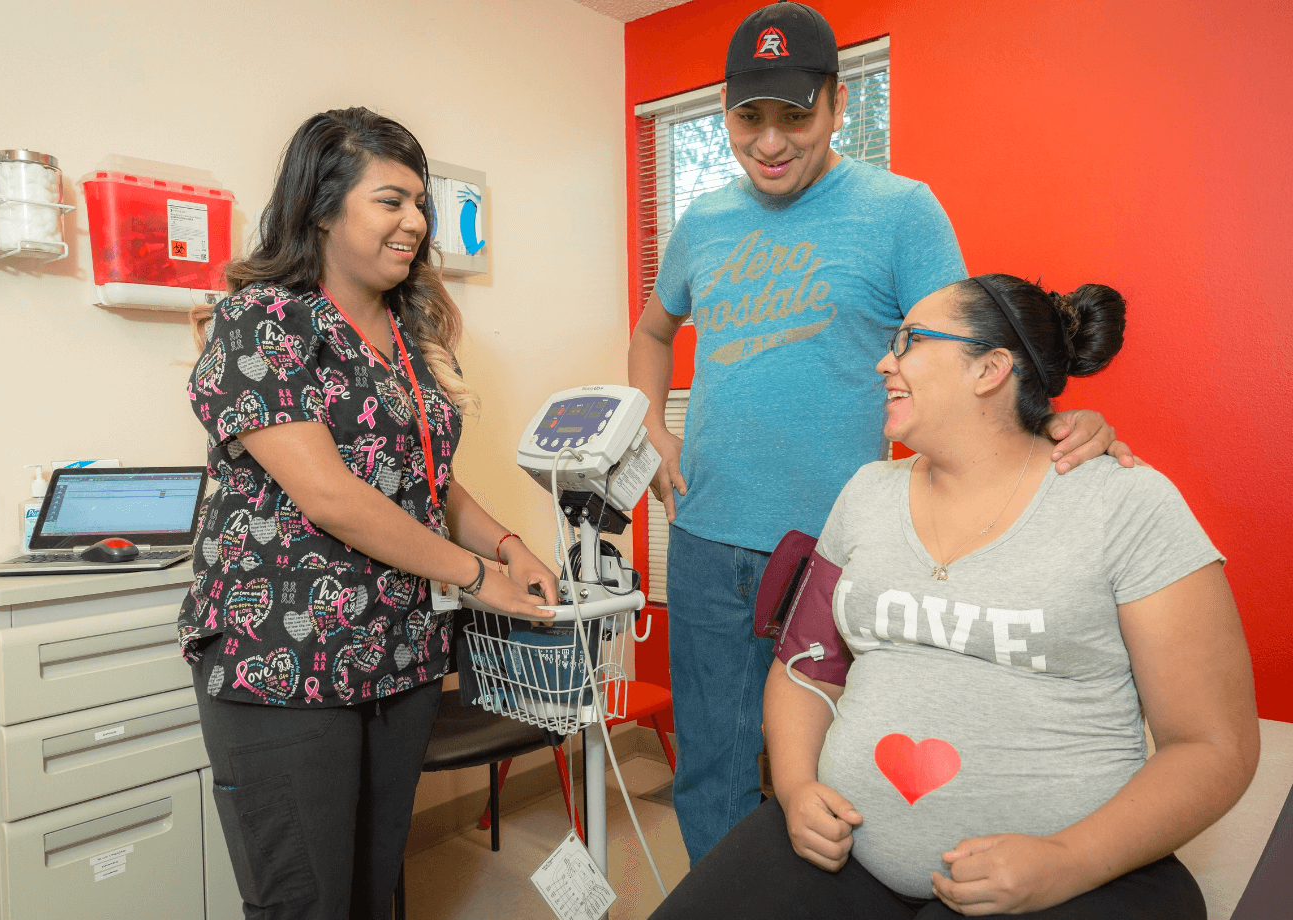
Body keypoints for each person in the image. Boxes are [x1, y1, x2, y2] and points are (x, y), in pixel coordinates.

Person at [627, 1, 1135, 865]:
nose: (771, 140)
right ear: (726, 110)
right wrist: (652, 435)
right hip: (708, 534)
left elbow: (965, 347)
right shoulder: (702, 222)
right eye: (750, 116)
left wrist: (1056, 424)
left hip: (839, 545)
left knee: (831, 769)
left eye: (795, 114)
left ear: (837, 104)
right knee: (709, 764)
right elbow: (650, 333)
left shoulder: (901, 211)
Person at [648, 273, 1259, 919]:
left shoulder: (1126, 504)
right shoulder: (866, 493)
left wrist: (1067, 861)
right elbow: (806, 672)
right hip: (845, 856)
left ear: (991, 368)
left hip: (1072, 876)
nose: (885, 361)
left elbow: (1211, 745)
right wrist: (798, 788)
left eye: (909, 341)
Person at [178, 107, 558, 919]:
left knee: (370, 890)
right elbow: (329, 493)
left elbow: (424, 479)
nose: (415, 223)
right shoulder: (265, 320)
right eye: (391, 200)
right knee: (306, 902)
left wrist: (510, 543)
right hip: (283, 657)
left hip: (397, 653)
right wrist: (476, 576)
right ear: (322, 206)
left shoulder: (404, 333)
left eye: (420, 203)